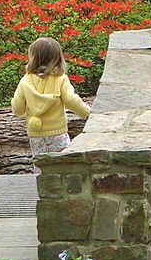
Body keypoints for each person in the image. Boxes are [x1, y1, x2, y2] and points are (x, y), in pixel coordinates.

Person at [11, 37, 91, 172]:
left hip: (36, 133)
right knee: (64, 163)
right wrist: (87, 113)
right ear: (57, 58)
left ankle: (44, 188)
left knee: (40, 164)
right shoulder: (60, 79)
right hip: (57, 132)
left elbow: (18, 109)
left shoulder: (25, 81)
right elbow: (71, 100)